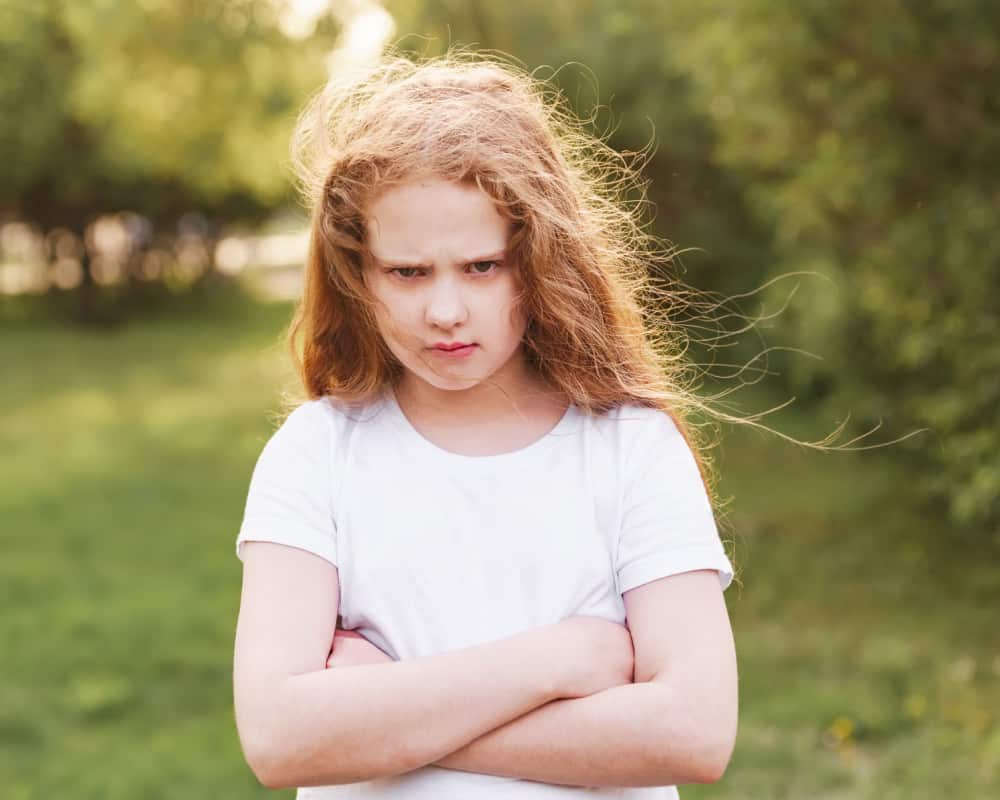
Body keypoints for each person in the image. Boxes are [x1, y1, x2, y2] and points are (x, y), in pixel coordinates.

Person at [232, 49, 738, 799]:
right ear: (358, 272)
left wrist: (388, 714)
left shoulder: (631, 447)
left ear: (538, 259)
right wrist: (560, 661)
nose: (445, 311)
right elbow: (278, 738)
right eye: (407, 272)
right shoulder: (314, 457)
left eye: (481, 266)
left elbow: (693, 732)